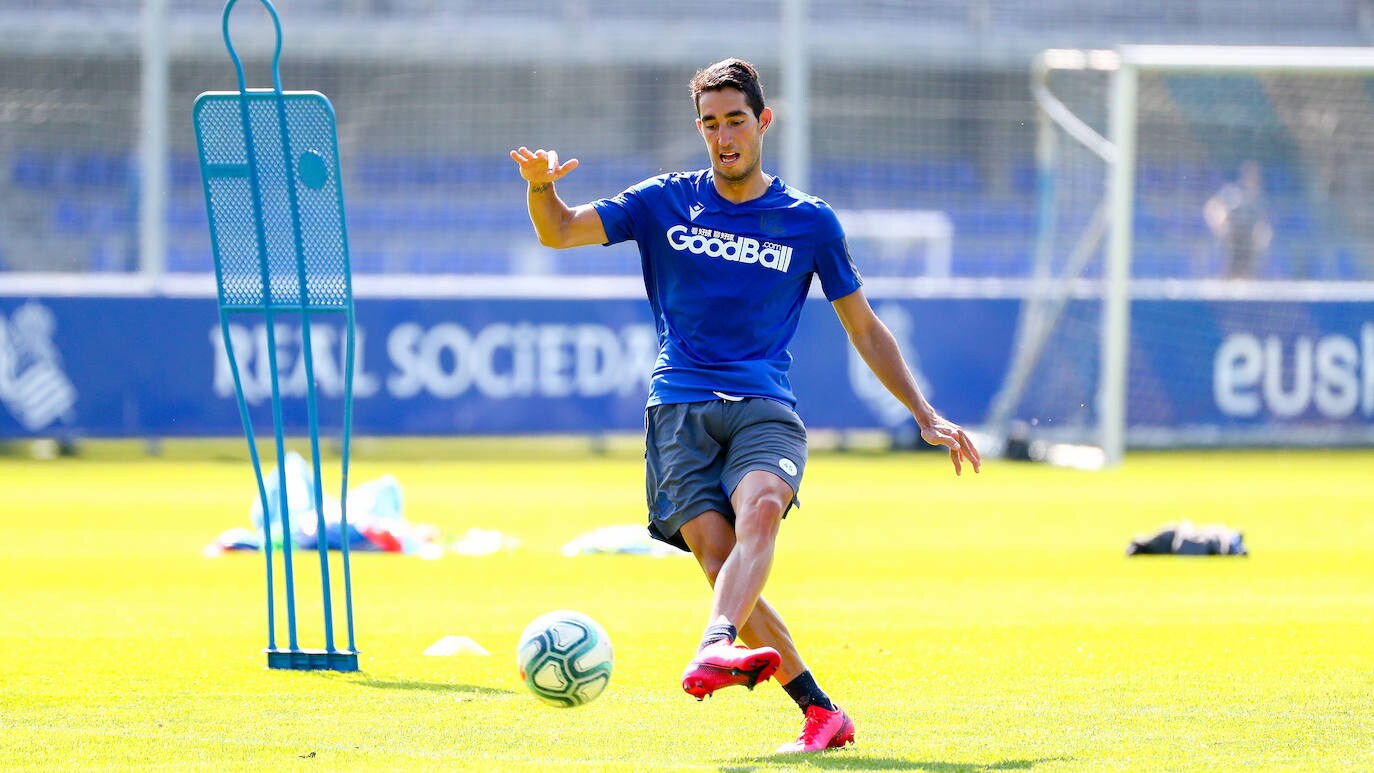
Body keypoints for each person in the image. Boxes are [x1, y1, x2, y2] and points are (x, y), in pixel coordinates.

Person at [509, 58, 980, 754]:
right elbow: (559, 229)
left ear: (763, 122)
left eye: (736, 120)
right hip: (678, 407)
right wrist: (541, 186)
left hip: (763, 403)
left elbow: (865, 327)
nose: (723, 135)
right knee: (720, 561)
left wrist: (923, 410)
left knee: (761, 507)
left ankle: (713, 642)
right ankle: (821, 711)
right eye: (709, 123)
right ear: (698, 130)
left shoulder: (809, 222)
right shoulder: (663, 201)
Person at [1204, 160, 1272, 278]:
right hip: (1232, 239)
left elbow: (1264, 222)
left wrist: (1263, 234)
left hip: (1249, 242)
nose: (1254, 179)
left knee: (1248, 272)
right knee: (1230, 271)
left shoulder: (1259, 199)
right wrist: (1220, 224)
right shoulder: (1232, 192)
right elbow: (1212, 206)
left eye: (1256, 176)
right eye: (1251, 175)